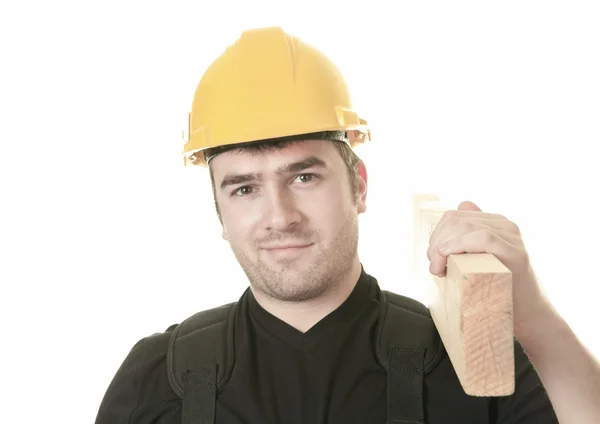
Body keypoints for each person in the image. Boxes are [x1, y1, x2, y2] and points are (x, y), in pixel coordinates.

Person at [94, 26, 599, 424]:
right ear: (219, 212)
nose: (279, 216)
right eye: (244, 188)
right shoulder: (157, 378)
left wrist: (533, 316)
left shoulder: (469, 364)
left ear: (358, 183)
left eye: (305, 176)